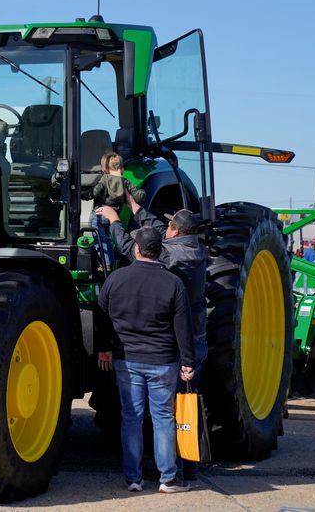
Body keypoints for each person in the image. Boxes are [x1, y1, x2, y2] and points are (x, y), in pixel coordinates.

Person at [97, 194, 208, 480]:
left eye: (169, 224)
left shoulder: (175, 258)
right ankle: (181, 470)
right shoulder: (193, 247)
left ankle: (176, 469)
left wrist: (115, 220)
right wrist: (135, 206)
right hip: (185, 342)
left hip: (179, 346)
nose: (166, 226)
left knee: (168, 414)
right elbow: (155, 235)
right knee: (180, 410)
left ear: (176, 232)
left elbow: (131, 248)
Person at [89, 152, 146, 270]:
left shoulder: (104, 179)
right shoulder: (125, 182)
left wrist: (88, 193)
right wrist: (142, 194)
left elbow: (96, 192)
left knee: (100, 239)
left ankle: (105, 263)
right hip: (114, 216)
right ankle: (111, 262)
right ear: (122, 168)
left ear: (105, 168)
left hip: (100, 213)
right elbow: (137, 195)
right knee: (109, 239)